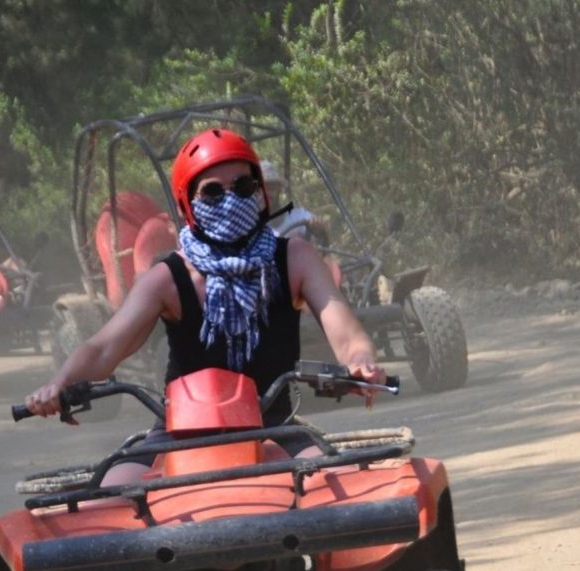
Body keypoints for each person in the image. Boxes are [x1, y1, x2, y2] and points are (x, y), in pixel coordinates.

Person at [24, 128, 384, 484]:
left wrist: (360, 364)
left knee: (337, 486)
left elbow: (347, 334)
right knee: (109, 494)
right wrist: (59, 384)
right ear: (187, 204)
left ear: (260, 193)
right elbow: (103, 348)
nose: (230, 200)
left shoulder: (295, 259)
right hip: (177, 431)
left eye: (243, 187)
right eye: (212, 192)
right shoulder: (168, 278)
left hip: (275, 426)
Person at [260, 160, 329, 245]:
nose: (266, 193)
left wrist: (319, 231)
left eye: (271, 188)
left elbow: (323, 247)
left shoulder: (298, 217)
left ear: (279, 190)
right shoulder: (249, 225)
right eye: (261, 189)